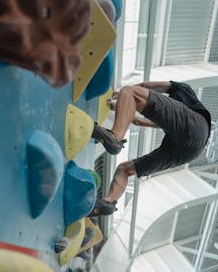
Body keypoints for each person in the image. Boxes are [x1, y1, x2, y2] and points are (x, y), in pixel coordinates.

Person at [90, 81, 211, 216]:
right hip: (188, 153)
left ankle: (115, 137)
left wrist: (121, 96)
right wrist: (124, 104)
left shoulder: (183, 89)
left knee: (128, 91)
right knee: (124, 170)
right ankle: (109, 202)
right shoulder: (177, 120)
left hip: (199, 128)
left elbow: (141, 87)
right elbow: (137, 121)